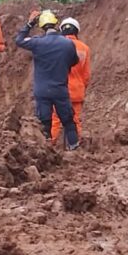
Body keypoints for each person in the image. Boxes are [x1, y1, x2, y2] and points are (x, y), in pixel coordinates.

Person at [15, 9, 81, 151]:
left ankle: (45, 151)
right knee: (68, 121)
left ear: (41, 26)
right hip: (60, 89)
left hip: (42, 90)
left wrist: (29, 23)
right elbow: (75, 61)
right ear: (56, 24)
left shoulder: (38, 43)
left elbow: (19, 40)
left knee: (45, 123)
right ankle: (74, 149)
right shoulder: (67, 44)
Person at [51, 17, 91, 146]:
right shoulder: (84, 48)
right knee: (75, 120)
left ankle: (50, 147)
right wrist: (82, 87)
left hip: (59, 90)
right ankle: (75, 148)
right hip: (77, 90)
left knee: (56, 120)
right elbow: (86, 75)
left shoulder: (56, 46)